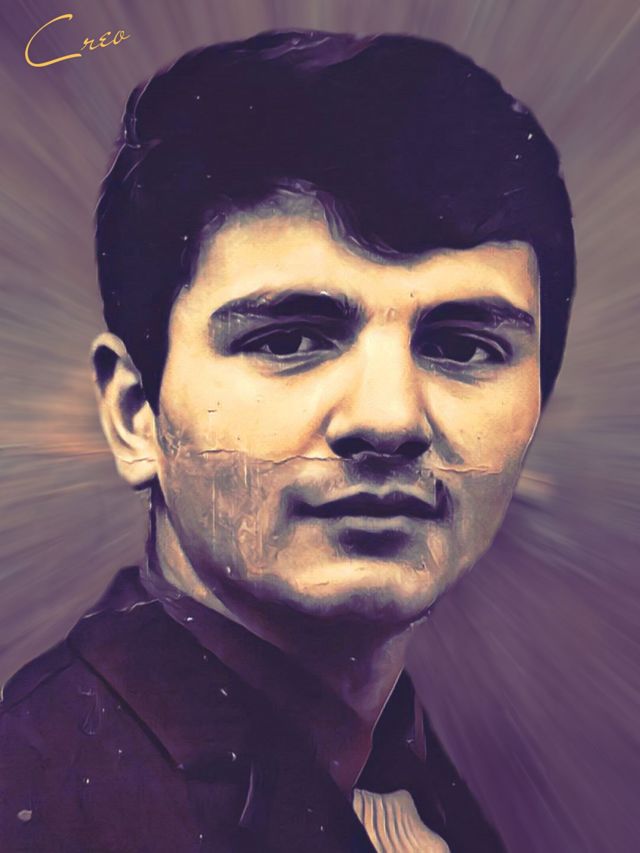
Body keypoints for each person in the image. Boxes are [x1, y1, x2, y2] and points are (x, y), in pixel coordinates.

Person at [0, 29, 574, 853]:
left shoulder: (410, 778)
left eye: (464, 346)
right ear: (134, 414)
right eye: (289, 338)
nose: (389, 418)